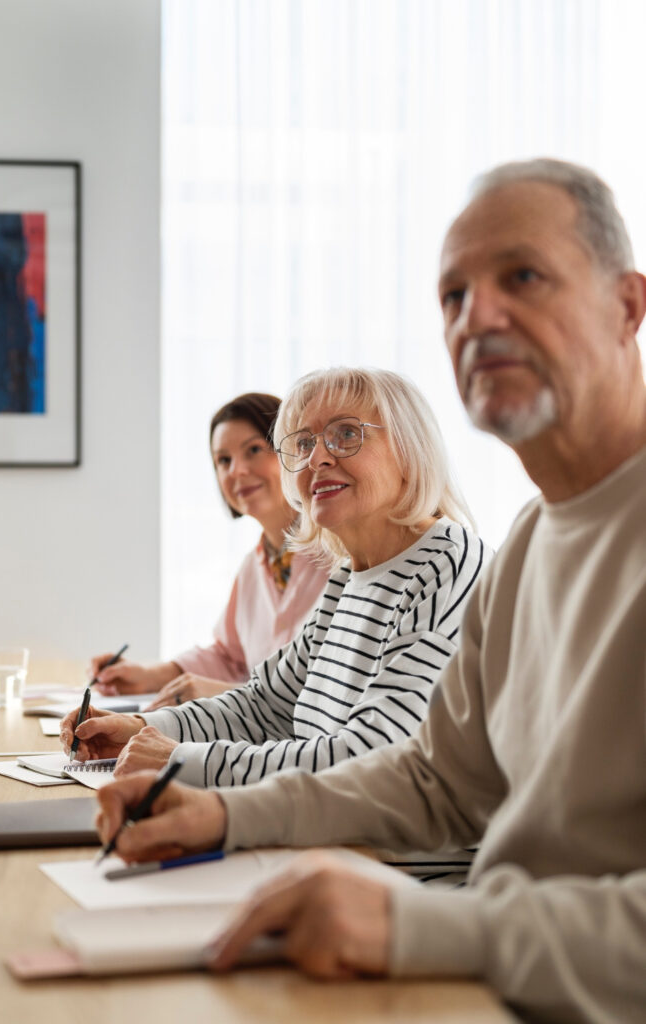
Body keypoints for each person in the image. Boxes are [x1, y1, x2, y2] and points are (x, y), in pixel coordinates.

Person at [96, 159, 646, 1024]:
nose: (478, 317)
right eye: (452, 296)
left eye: (523, 276)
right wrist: (219, 815)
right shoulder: (531, 545)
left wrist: (424, 928)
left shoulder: (464, 556)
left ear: (626, 306)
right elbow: (435, 780)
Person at [63, 370, 489, 829]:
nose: (317, 458)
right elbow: (268, 704)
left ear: (410, 450)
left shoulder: (446, 564)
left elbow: (371, 759)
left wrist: (181, 760)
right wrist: (145, 730)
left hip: (403, 876)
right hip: (325, 842)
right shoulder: (350, 573)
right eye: (303, 444)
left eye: (346, 434)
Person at [91, 392, 330, 710]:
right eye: (224, 460)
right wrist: (148, 675)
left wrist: (219, 694)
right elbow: (230, 658)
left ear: (294, 450)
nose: (237, 471)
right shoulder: (254, 567)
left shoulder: (342, 554)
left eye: (254, 450)